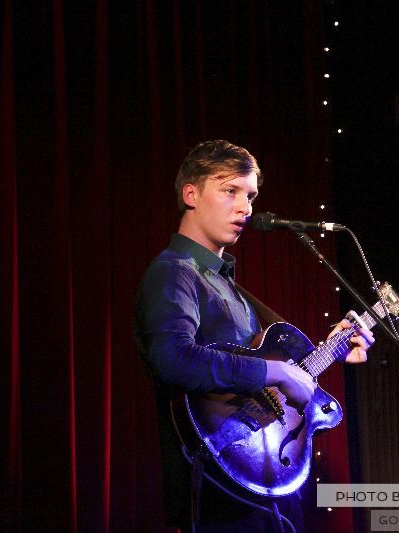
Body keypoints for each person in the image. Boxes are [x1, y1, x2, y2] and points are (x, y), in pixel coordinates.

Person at [133, 140, 374, 532]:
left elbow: (257, 380)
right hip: (216, 491)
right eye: (230, 191)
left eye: (250, 195)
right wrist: (277, 374)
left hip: (260, 491)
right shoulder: (174, 272)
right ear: (190, 194)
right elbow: (173, 358)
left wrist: (331, 351)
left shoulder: (227, 285)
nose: (246, 207)